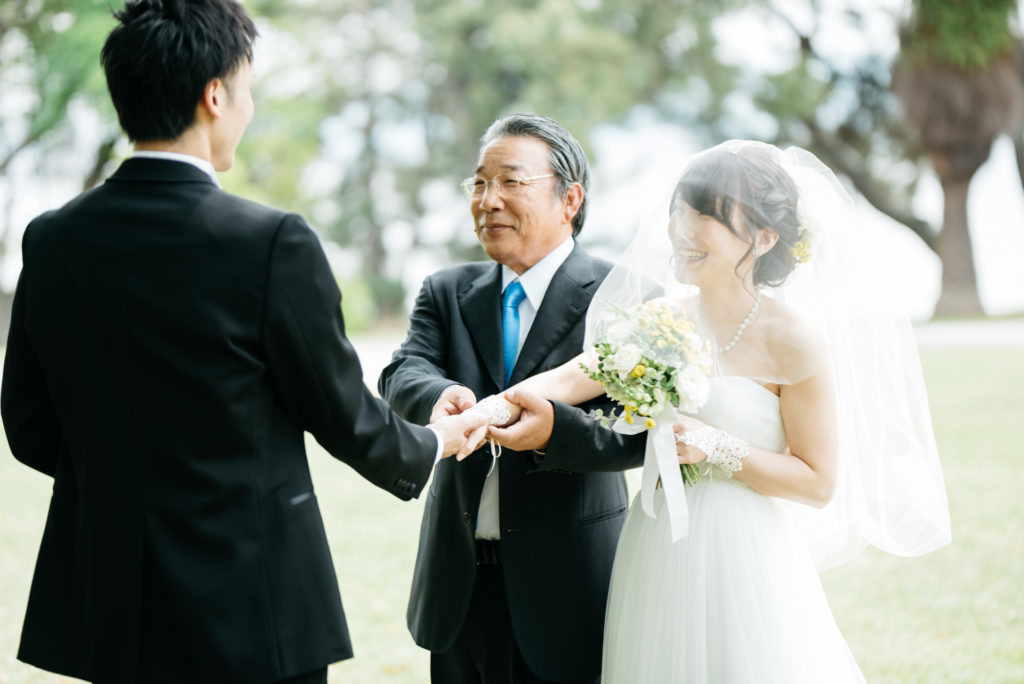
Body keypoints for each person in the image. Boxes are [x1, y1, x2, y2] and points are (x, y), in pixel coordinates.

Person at [0, 1, 485, 682]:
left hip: (111, 606)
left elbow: (28, 426)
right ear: (215, 95)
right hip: (251, 603)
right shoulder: (269, 242)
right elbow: (343, 416)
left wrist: (127, 488)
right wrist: (433, 440)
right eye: (249, 90)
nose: (249, 110)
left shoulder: (50, 240)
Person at [487, 140, 952, 682]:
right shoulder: (660, 318)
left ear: (764, 236)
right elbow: (574, 376)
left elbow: (818, 481)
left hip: (744, 550)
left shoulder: (793, 338)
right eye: (678, 211)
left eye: (704, 214)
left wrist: (717, 447)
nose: (682, 230)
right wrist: (489, 410)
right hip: (656, 541)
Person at [378, 113, 643, 684]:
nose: (488, 200)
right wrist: (439, 393)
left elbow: (639, 430)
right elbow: (403, 368)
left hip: (570, 586)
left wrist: (557, 432)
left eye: (510, 182)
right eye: (478, 183)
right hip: (459, 585)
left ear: (569, 198)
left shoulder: (620, 296)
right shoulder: (446, 291)